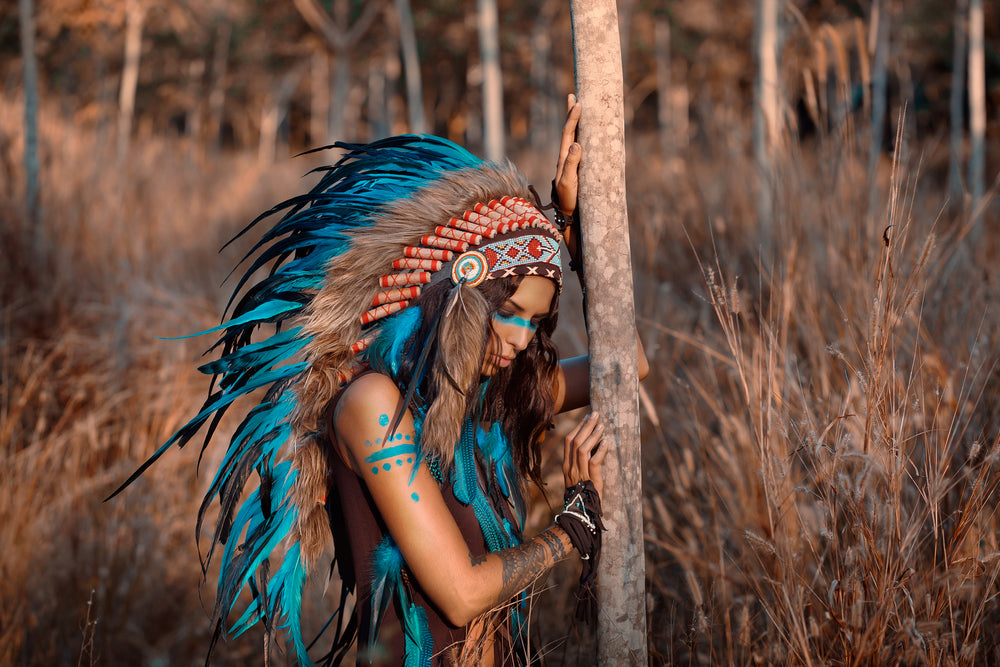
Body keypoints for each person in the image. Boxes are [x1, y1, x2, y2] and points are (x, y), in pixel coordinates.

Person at [114, 96, 647, 665]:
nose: (520, 340)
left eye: (535, 322)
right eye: (508, 311)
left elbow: (626, 365)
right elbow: (462, 594)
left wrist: (575, 236)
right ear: (459, 295)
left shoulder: (484, 400)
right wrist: (572, 526)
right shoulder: (372, 404)